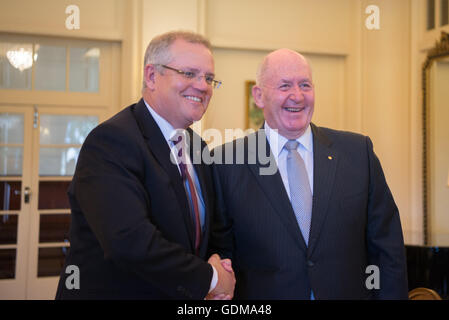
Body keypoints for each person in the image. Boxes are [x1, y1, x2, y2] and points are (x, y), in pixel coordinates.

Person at [210, 48, 408, 299]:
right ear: (259, 96)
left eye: (305, 85)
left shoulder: (358, 153)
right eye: (284, 86)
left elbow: (387, 249)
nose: (297, 96)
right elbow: (222, 254)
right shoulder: (226, 163)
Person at [56, 31, 235, 299]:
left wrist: (222, 265)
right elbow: (128, 241)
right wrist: (210, 280)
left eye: (209, 78)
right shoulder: (111, 141)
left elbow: (211, 232)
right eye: (188, 73)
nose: (203, 86)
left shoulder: (199, 147)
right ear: (151, 76)